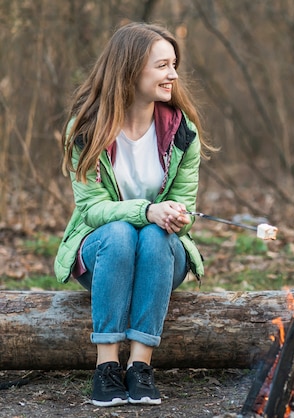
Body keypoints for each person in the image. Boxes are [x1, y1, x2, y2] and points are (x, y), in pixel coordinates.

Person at [54, 22, 215, 407]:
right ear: (130, 71)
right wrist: (147, 210)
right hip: (105, 254)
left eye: (173, 65)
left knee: (157, 235)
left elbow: (185, 205)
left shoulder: (182, 132)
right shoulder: (86, 130)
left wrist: (177, 216)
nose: (173, 75)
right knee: (121, 233)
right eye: (162, 66)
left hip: (160, 256)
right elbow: (92, 209)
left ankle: (139, 367)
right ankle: (106, 367)